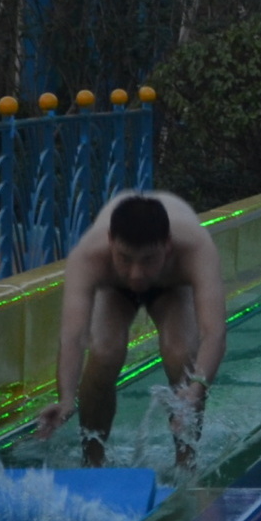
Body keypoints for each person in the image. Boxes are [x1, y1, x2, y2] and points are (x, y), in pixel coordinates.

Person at [35, 191, 226, 470]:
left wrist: (198, 388)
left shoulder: (196, 248)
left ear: (168, 247)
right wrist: (65, 398)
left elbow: (215, 333)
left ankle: (186, 463)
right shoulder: (89, 256)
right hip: (114, 289)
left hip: (172, 287)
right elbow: (73, 337)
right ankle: (93, 461)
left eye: (148, 260)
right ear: (111, 242)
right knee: (104, 351)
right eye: (125, 259)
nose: (136, 273)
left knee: (182, 353)